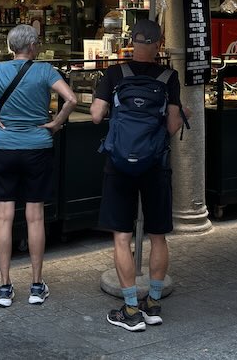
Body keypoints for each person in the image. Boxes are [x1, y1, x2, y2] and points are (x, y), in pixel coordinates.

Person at [0, 24, 77, 307]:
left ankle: (4, 287)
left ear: (11, 46)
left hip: (4, 148)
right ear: (33, 45)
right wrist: (56, 124)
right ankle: (36, 285)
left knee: (4, 216)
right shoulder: (46, 71)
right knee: (35, 216)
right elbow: (70, 99)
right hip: (38, 147)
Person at [91, 18, 187, 333]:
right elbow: (173, 126)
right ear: (159, 43)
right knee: (158, 235)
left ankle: (131, 308)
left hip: (119, 163)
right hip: (155, 163)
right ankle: (153, 304)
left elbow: (95, 116)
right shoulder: (169, 76)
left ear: (132, 41)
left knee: (121, 235)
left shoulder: (114, 73)